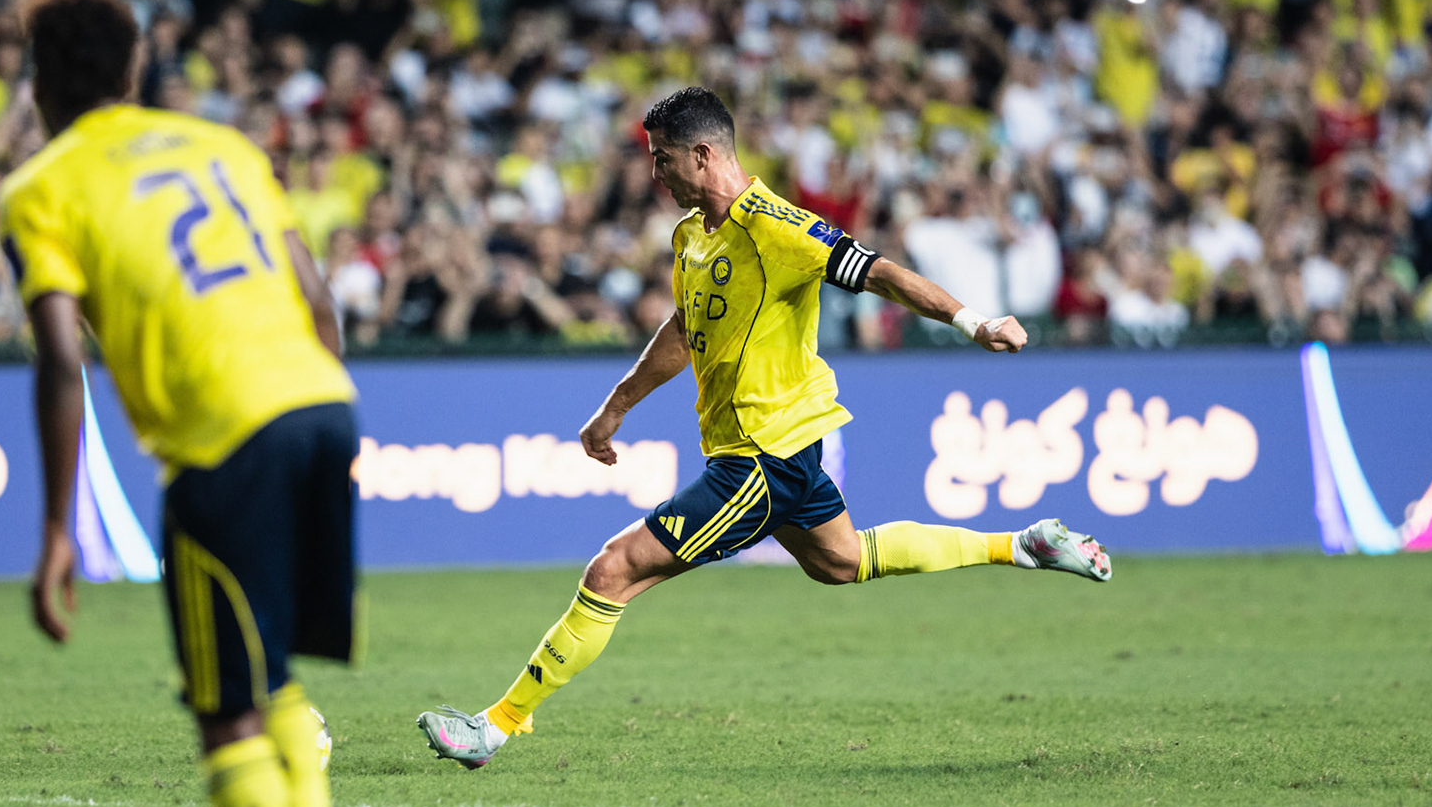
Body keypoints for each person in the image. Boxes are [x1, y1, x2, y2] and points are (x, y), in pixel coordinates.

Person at [418, 87, 1112, 769]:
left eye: (662, 160)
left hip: (761, 458)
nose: (654, 174)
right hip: (774, 452)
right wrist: (618, 404)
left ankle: (497, 725)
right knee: (843, 561)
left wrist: (975, 323)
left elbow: (881, 275)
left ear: (700, 155)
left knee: (613, 570)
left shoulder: (780, 229)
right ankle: (1025, 545)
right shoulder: (691, 235)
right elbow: (686, 327)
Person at [2, 0, 362, 807]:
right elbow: (317, 298)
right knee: (271, 669)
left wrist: (57, 526)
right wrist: (326, 413)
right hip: (324, 404)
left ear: (36, 85)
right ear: (133, 69)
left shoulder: (40, 188)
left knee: (222, 705)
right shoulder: (226, 149)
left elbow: (61, 358)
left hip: (221, 437)